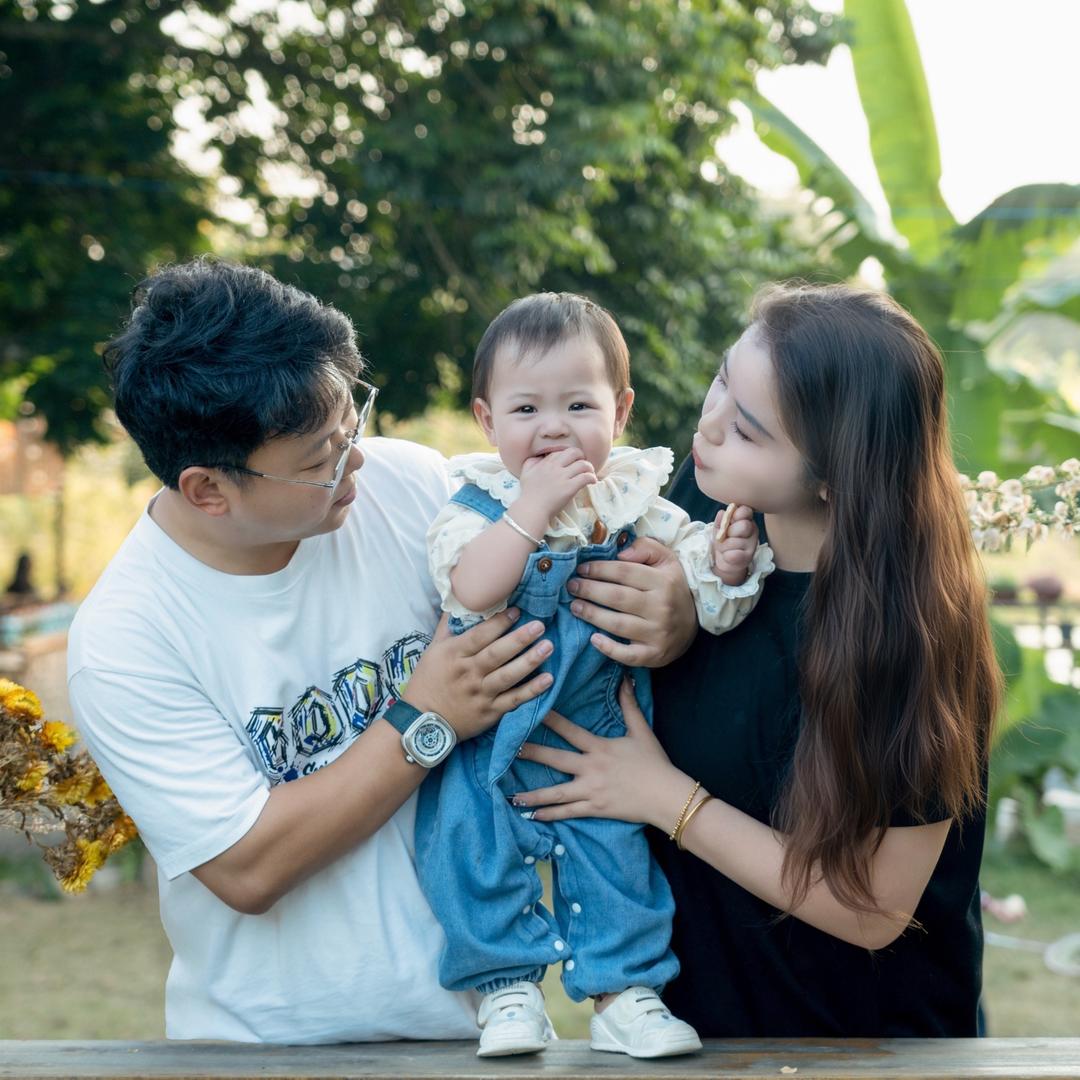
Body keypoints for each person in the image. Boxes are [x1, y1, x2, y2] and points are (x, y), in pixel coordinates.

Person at [65, 258, 565, 1044]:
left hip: (489, 1032)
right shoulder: (127, 638)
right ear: (208, 490)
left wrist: (668, 608)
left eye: (352, 423)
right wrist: (427, 714)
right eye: (318, 459)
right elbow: (248, 867)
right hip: (276, 1047)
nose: (355, 460)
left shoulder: (410, 487)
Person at [513, 282, 1002, 1037]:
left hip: (867, 1042)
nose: (707, 428)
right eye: (721, 379)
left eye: (746, 429)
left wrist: (664, 797)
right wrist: (675, 609)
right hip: (690, 1029)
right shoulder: (711, 506)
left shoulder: (917, 635)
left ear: (837, 472)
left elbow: (873, 908)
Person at [417, 293, 770, 1058]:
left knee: (616, 860)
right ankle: (507, 990)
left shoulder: (632, 502)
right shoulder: (479, 507)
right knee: (472, 852)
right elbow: (472, 588)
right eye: (525, 408)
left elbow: (699, 578)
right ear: (486, 420)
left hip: (598, 729)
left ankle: (625, 993)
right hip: (488, 733)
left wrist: (725, 562)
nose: (551, 426)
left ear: (620, 413)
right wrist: (532, 511)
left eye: (578, 403)